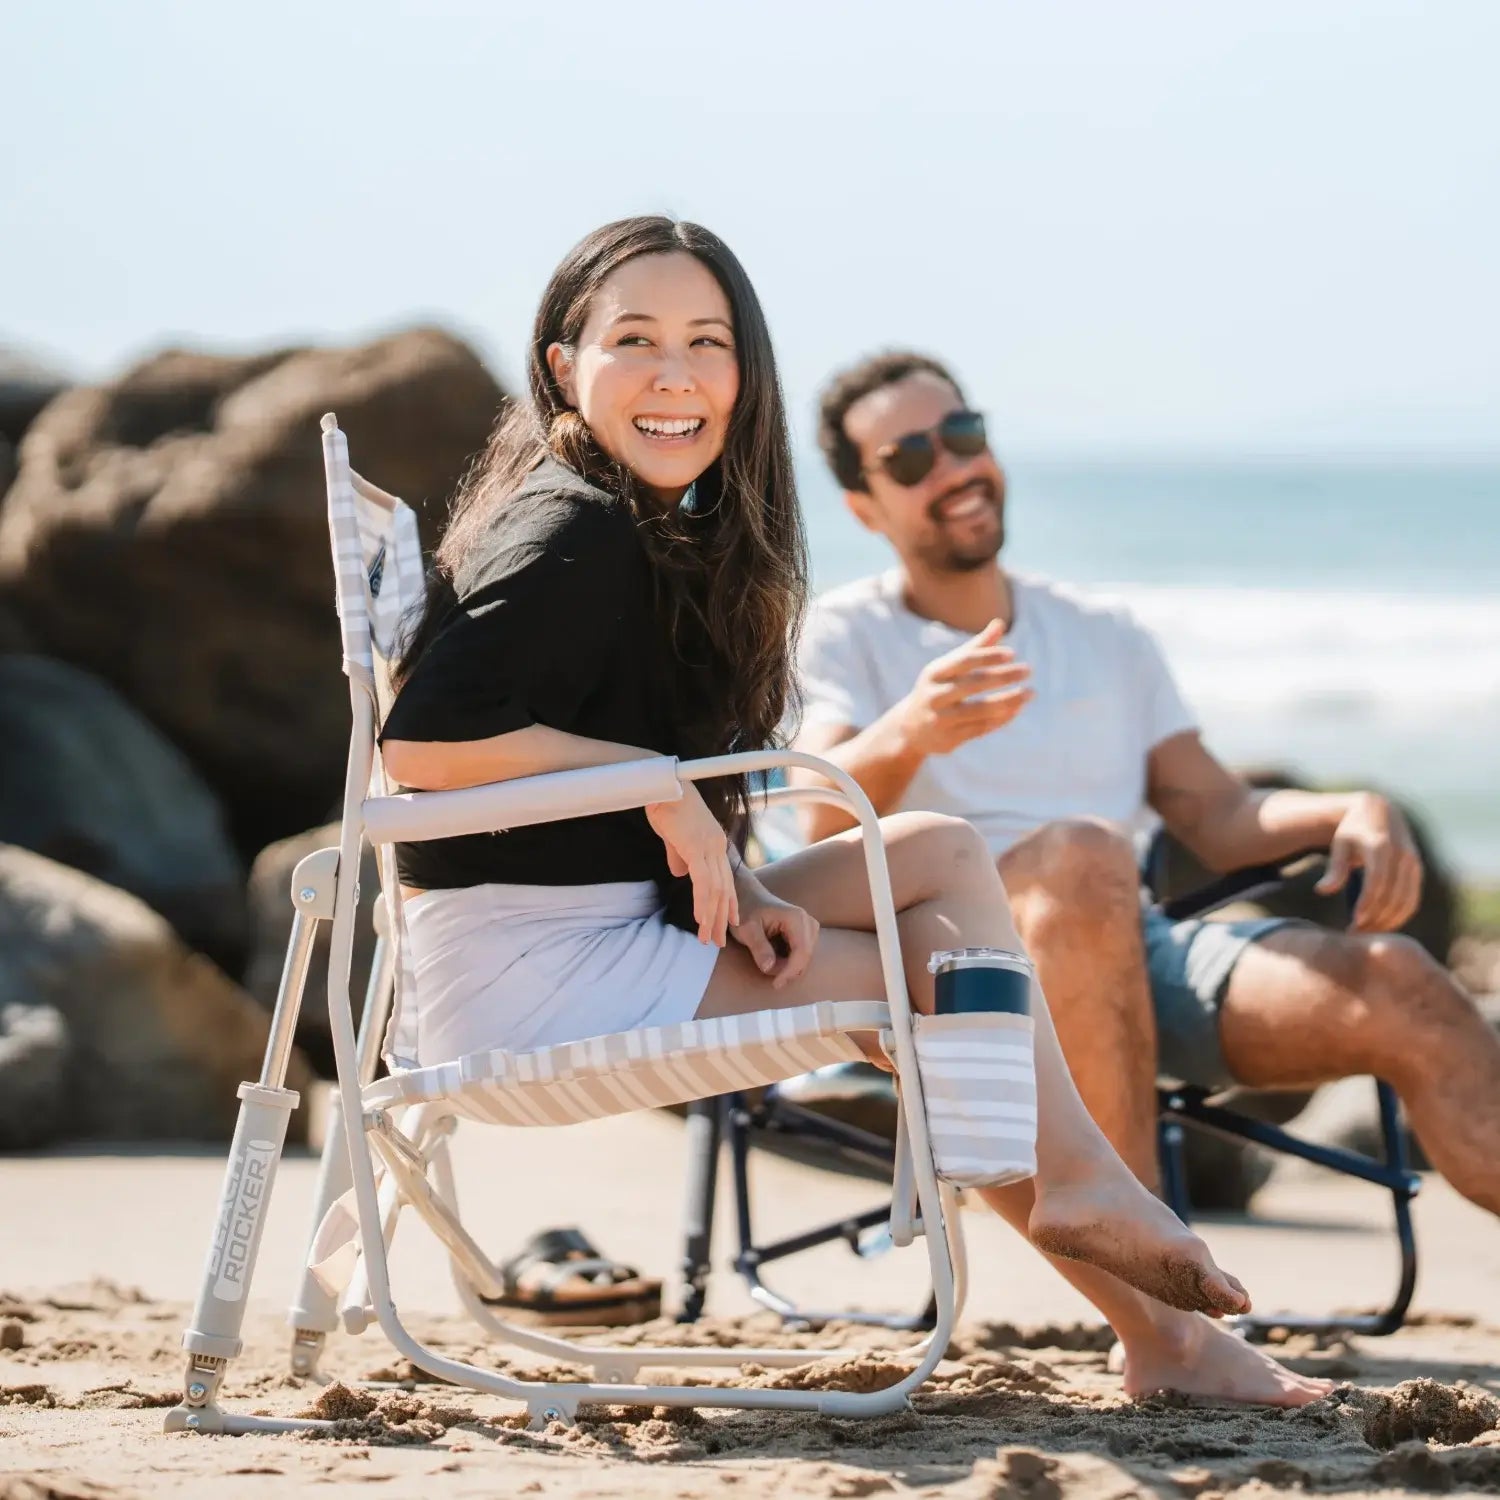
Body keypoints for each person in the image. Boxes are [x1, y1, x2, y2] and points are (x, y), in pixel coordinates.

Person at [377, 217, 1261, 1375]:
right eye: (634, 340)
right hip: (529, 980)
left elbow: (556, 767)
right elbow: (426, 744)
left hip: (596, 928)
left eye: (709, 343)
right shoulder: (574, 530)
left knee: (942, 856)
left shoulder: (615, 526)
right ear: (561, 365)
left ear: (744, 376)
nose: (676, 375)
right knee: (945, 984)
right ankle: (1151, 1308)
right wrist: (656, 788)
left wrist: (733, 874)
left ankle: (1104, 1214)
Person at [790, 347, 1500, 1402]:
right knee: (1081, 858)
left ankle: (1158, 1303)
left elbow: (1215, 811)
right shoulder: (850, 634)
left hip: (1138, 952)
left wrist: (1349, 804)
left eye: (964, 435)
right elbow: (817, 811)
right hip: (964, 976)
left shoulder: (1101, 633)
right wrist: (913, 728)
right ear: (865, 503)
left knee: (1398, 980)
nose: (953, 466)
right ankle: (1163, 1331)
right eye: (910, 456)